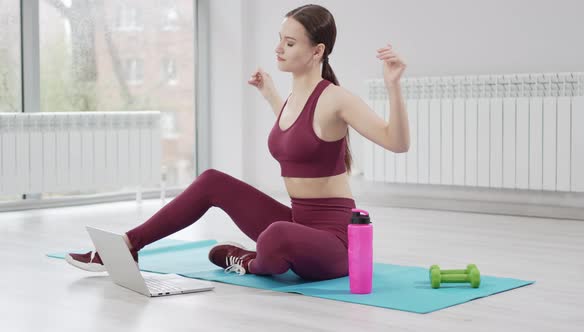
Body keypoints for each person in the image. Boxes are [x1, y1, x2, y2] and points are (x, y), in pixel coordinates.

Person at [67, 4, 409, 281]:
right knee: (212, 181)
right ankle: (129, 244)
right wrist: (270, 93)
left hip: (335, 242)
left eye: (290, 43)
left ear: (317, 50)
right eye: (280, 39)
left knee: (276, 235)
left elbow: (396, 142)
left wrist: (393, 85)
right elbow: (295, 135)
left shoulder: (337, 99)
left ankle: (249, 262)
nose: (278, 48)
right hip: (298, 222)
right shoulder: (292, 100)